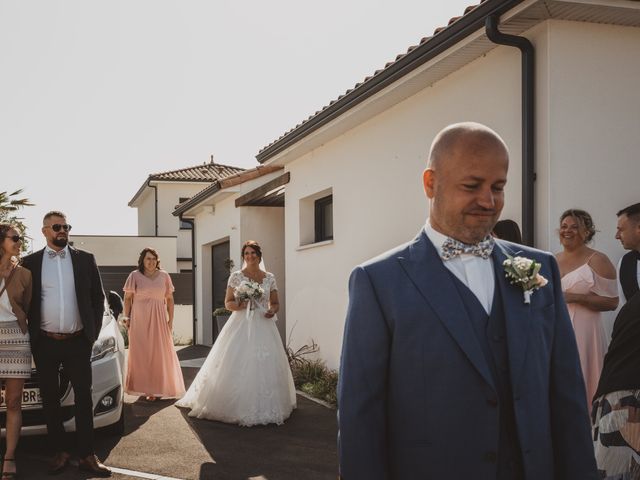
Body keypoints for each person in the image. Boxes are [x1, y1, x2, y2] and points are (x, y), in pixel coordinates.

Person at [337, 122, 598, 479]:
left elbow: (566, 396)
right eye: (471, 186)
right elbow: (360, 417)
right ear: (431, 183)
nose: (488, 201)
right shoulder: (378, 282)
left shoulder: (542, 269)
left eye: (498, 187)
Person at [21, 211, 111, 477]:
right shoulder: (30, 263)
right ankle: (59, 452)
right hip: (45, 343)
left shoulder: (85, 260)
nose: (63, 231)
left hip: (77, 343)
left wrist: (90, 335)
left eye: (66, 226)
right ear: (45, 231)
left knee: (84, 398)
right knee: (50, 400)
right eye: (57, 227)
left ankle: (87, 455)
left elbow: (98, 298)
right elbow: (23, 301)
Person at [176, 240, 296, 426]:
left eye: (253, 253)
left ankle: (268, 405)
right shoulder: (236, 277)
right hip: (241, 324)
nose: (250, 256)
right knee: (238, 360)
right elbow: (228, 303)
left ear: (259, 255)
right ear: (243, 257)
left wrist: (272, 310)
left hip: (264, 324)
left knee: (265, 363)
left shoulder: (269, 277)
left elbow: (275, 303)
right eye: (246, 253)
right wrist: (242, 303)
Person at [592, 202, 640, 478]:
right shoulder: (627, 264)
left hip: (628, 396)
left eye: (621, 228)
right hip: (616, 388)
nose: (616, 235)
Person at [555, 209, 618, 406]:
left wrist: (575, 297)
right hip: (558, 329)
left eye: (575, 227)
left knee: (586, 377)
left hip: (586, 331)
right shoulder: (552, 260)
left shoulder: (598, 260)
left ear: (587, 232)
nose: (568, 231)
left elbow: (612, 302)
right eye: (564, 226)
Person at [121, 248, 185, 401]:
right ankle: (145, 388)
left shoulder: (164, 276)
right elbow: (128, 298)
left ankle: (158, 388)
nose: (151, 262)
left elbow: (169, 299)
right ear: (142, 260)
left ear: (157, 260)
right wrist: (126, 317)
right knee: (141, 354)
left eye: (154, 259)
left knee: (159, 353)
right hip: (139, 319)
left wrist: (171, 320)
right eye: (148, 259)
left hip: (159, 318)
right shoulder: (134, 276)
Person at [0, 225, 32, 479]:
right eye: (15, 238)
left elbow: (28, 308)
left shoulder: (24, 274)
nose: (19, 242)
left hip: (16, 337)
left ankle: (9, 457)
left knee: (13, 401)